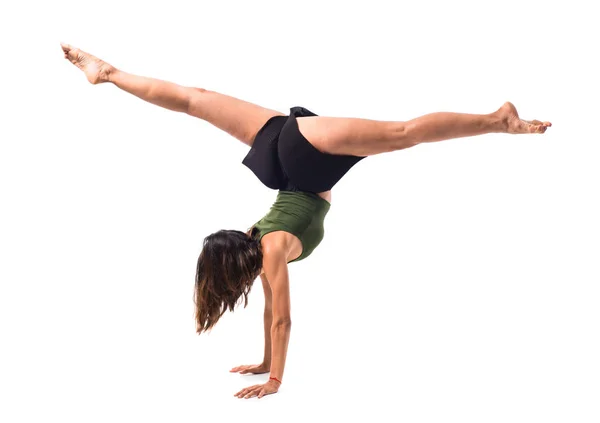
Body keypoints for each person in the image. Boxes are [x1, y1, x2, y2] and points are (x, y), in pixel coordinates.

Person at [61, 43, 551, 399]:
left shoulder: (271, 251)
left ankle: (498, 120)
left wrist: (275, 379)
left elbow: (282, 317)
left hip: (308, 160)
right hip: (280, 154)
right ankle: (108, 73)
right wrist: (264, 362)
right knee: (195, 99)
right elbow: (271, 310)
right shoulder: (261, 244)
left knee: (404, 133)